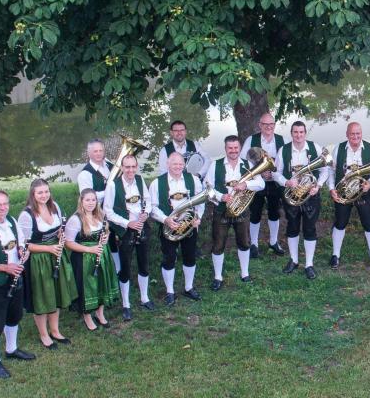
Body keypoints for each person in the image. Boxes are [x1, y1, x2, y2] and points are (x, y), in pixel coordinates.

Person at [0, 190, 36, 379]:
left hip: (15, 278)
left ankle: (11, 349)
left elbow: (21, 243)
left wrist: (23, 252)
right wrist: (5, 267)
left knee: (15, 316)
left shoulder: (11, 220)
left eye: (5, 203)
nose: (2, 208)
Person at [18, 179, 78, 349]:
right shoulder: (26, 215)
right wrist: (49, 248)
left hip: (56, 255)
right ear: (33, 194)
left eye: (46, 191)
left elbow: (60, 232)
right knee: (42, 297)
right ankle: (44, 334)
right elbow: (23, 244)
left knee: (56, 294)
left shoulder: (55, 207)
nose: (44, 195)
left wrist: (61, 236)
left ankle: (55, 330)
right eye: (40, 193)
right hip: (38, 261)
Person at [204, 136, 265, 289]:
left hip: (242, 211)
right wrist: (221, 196)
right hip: (221, 210)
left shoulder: (247, 165)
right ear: (225, 149)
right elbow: (207, 187)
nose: (233, 151)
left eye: (236, 148)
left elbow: (261, 184)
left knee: (244, 243)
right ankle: (218, 277)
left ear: (239, 148)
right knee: (218, 244)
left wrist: (246, 184)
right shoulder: (215, 165)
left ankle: (245, 273)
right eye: (230, 148)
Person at [273, 121, 329, 280]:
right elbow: (276, 173)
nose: (298, 135)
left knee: (310, 228)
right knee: (292, 227)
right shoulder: (284, 150)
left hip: (311, 195)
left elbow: (325, 170)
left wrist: (318, 185)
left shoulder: (315, 148)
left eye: (301, 132)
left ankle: (309, 264)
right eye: (295, 132)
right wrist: (286, 182)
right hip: (292, 195)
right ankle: (294, 260)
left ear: (305, 133)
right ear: (291, 134)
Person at [150, 152, 205, 305]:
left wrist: (198, 218)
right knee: (169, 258)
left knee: (190, 256)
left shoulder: (193, 180)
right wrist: (165, 219)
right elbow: (152, 208)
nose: (178, 167)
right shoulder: (157, 183)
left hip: (189, 226)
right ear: (168, 164)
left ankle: (189, 287)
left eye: (181, 164)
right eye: (175, 164)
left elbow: (200, 201)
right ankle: (170, 291)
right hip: (169, 226)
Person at [328, 122, 370, 270]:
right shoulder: (338, 149)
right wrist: (331, 189)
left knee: (369, 224)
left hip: (363, 194)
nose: (355, 136)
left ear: (361, 134)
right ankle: (335, 255)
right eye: (352, 134)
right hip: (343, 194)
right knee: (340, 223)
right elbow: (331, 172)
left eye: (358, 133)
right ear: (347, 134)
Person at [103, 155, 153, 320]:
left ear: (136, 167)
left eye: (133, 167)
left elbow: (148, 201)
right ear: (122, 168)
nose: (130, 170)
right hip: (125, 231)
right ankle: (126, 304)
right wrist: (127, 223)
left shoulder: (139, 180)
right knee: (125, 268)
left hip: (142, 226)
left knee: (144, 264)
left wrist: (146, 214)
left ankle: (144, 298)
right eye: (127, 167)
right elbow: (107, 211)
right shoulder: (112, 185)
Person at [65, 189, 120, 331]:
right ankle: (87, 316)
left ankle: (100, 314)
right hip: (84, 258)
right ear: (81, 201)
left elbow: (106, 233)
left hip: (102, 255)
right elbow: (68, 243)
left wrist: (105, 238)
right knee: (88, 287)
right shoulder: (75, 219)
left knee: (102, 283)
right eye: (87, 200)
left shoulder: (100, 215)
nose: (90, 203)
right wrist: (90, 249)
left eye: (93, 200)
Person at [242, 113, 286, 258]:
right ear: (260, 125)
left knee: (275, 212)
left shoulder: (281, 139)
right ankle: (254, 244)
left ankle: (273, 242)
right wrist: (259, 173)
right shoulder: (251, 140)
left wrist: (272, 173)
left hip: (274, 182)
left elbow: (282, 160)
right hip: (257, 182)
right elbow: (244, 160)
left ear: (274, 125)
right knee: (255, 212)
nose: (269, 127)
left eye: (271, 124)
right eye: (265, 124)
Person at [76, 139, 121, 274]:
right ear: (89, 153)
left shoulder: (109, 165)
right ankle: (106, 269)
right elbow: (88, 197)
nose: (98, 153)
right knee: (107, 239)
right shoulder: (85, 174)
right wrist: (109, 191)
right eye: (95, 151)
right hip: (97, 213)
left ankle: (118, 269)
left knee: (115, 239)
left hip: (115, 209)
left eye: (101, 150)